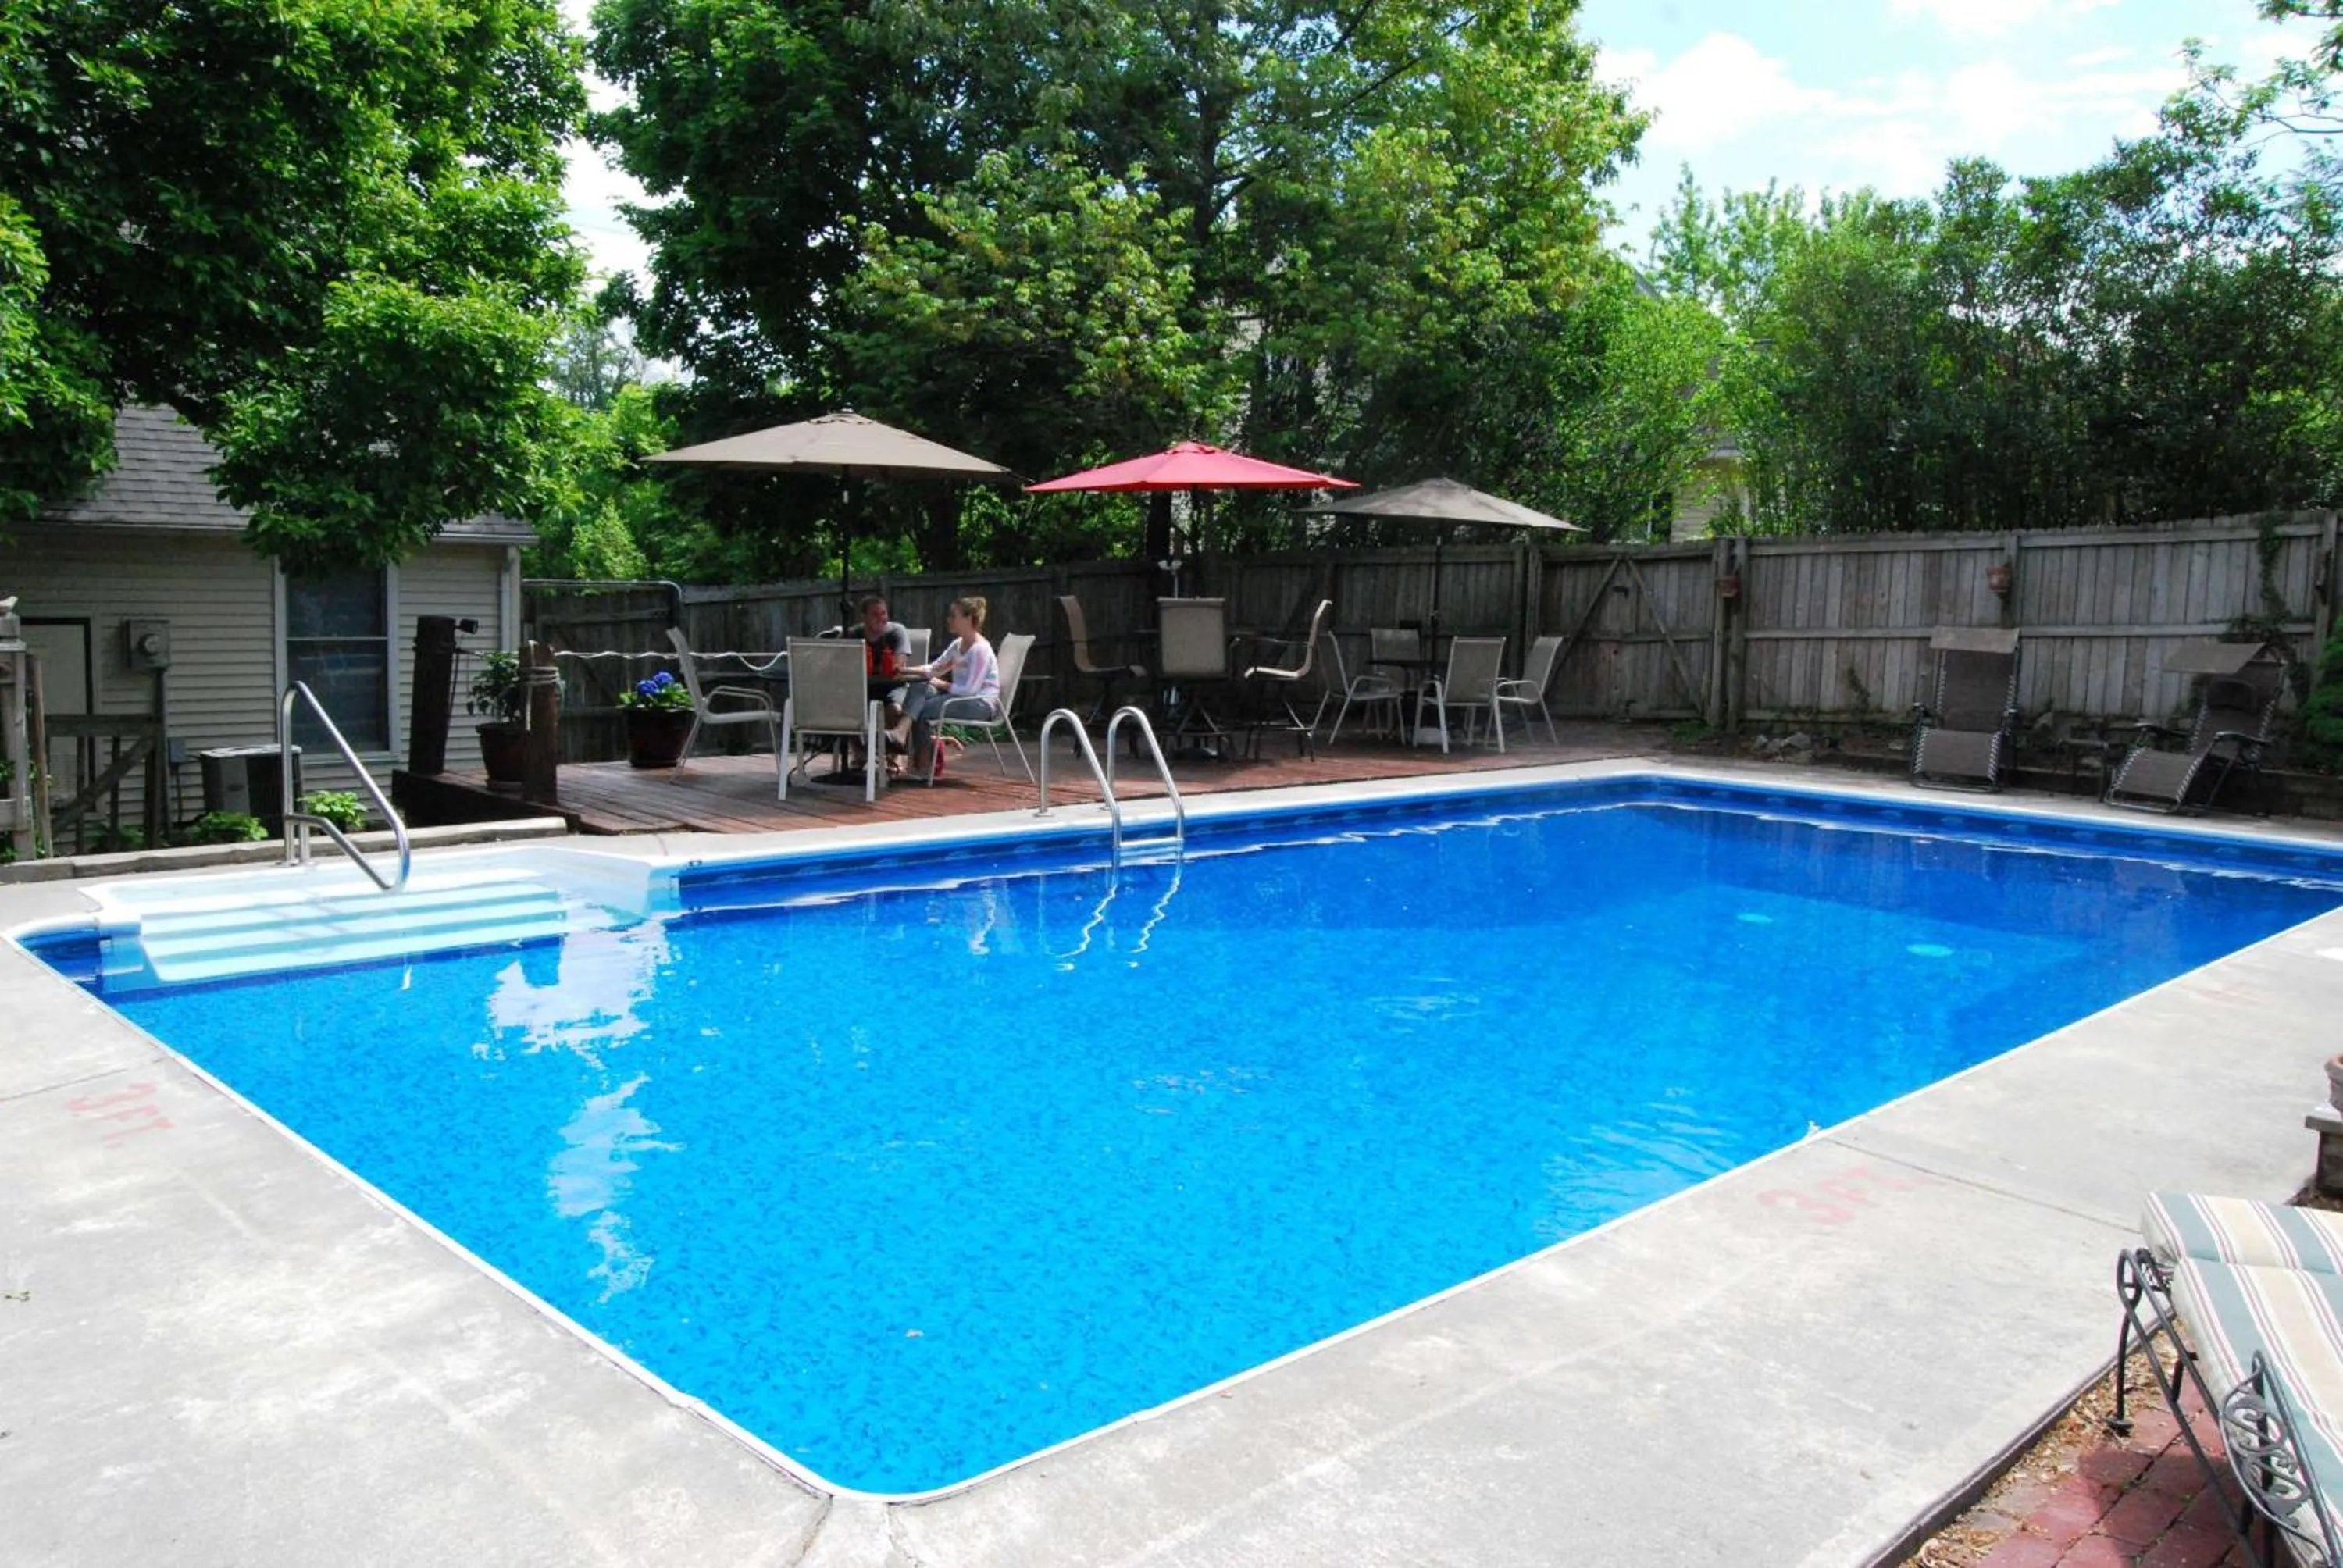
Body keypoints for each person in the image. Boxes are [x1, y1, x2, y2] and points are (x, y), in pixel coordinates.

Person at [897, 596, 1000, 779]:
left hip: (980, 703)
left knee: (921, 711)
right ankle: (911, 749)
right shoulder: (958, 645)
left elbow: (970, 690)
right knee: (921, 687)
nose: (949, 620)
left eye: (953, 616)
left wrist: (941, 684)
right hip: (961, 697)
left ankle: (924, 765)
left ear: (969, 619)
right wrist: (904, 670)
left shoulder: (980, 650)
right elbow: (934, 669)